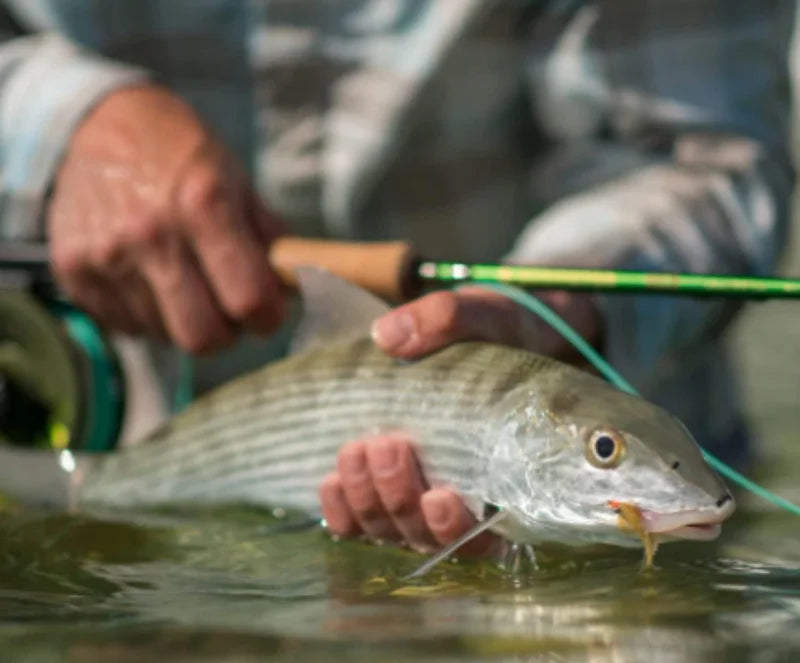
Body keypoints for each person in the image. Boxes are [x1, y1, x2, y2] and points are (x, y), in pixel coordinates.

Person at [0, 1, 794, 554]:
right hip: (135, 412)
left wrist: (563, 303)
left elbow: (696, 152)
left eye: (602, 451)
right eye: (604, 451)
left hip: (617, 376)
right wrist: (56, 121)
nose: (610, 459)